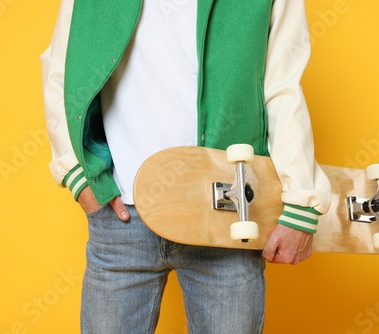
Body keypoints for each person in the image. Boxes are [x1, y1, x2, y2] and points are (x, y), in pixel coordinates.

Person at [41, 0, 332, 333]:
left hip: (227, 218)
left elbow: (283, 86)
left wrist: (302, 202)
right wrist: (78, 175)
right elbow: (61, 70)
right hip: (121, 219)